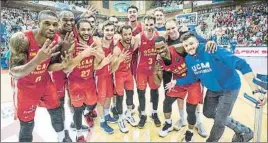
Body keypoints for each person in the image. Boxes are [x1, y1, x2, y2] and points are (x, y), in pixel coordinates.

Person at [166, 32, 267, 142]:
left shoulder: (211, 49)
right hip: (213, 89)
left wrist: (255, 89)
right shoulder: (189, 60)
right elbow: (193, 77)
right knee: (208, 112)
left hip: (229, 88)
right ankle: (243, 130)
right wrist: (176, 82)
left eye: (191, 44)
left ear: (197, 42)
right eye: (186, 45)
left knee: (219, 121)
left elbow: (241, 64)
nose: (189, 47)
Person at [9, 10, 72, 142]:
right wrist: (37, 59)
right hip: (25, 86)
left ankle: (62, 137)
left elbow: (49, 66)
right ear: (38, 23)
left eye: (55, 24)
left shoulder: (57, 40)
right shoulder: (21, 39)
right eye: (47, 23)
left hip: (44, 82)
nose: (51, 28)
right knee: (27, 123)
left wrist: (62, 61)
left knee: (56, 110)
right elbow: (14, 72)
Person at [154, 36, 216, 141]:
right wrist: (156, 72)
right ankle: (168, 124)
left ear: (167, 45)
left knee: (191, 109)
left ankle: (190, 132)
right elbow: (157, 83)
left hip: (194, 81)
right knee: (167, 102)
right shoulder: (159, 60)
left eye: (162, 47)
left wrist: (208, 43)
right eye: (158, 49)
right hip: (178, 81)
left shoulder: (178, 48)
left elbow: (194, 46)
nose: (161, 51)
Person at [164, 19, 208, 138]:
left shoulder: (186, 35)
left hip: (194, 75)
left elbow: (203, 42)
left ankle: (199, 122)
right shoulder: (166, 42)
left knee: (195, 100)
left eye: (173, 28)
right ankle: (182, 119)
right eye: (168, 29)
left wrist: (191, 30)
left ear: (177, 26)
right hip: (179, 76)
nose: (171, 31)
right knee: (180, 98)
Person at [63, 19, 104, 141]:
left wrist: (93, 51)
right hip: (75, 82)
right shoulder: (72, 44)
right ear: (77, 30)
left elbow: (102, 57)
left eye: (88, 29)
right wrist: (83, 54)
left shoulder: (95, 40)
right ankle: (79, 134)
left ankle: (88, 113)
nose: (86, 32)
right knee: (77, 109)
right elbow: (67, 68)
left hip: (89, 80)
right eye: (83, 29)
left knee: (92, 103)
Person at [49, 9, 89, 132]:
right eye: (65, 20)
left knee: (74, 100)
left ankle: (74, 122)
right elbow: (50, 64)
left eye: (71, 20)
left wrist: (81, 16)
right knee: (59, 103)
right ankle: (62, 132)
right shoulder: (53, 36)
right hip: (58, 74)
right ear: (58, 21)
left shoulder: (73, 30)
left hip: (73, 72)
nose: (69, 23)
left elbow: (75, 22)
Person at [132, 15, 161, 128]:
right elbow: (130, 50)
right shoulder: (138, 37)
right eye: (147, 25)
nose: (149, 27)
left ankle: (154, 113)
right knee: (141, 92)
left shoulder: (159, 36)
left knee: (155, 92)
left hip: (154, 70)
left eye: (151, 25)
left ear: (155, 24)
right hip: (141, 70)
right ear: (144, 25)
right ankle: (143, 114)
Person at [111, 25, 138, 133]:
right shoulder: (117, 48)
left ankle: (128, 114)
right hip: (119, 75)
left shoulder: (131, 42)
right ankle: (120, 118)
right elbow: (113, 68)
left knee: (131, 95)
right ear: (121, 35)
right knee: (120, 98)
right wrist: (120, 59)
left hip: (128, 74)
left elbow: (139, 36)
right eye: (125, 34)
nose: (127, 36)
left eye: (129, 34)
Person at [94, 21, 119, 134]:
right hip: (99, 76)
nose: (109, 32)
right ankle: (102, 121)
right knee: (100, 100)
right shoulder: (98, 44)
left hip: (109, 75)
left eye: (111, 30)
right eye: (107, 30)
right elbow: (94, 66)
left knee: (109, 97)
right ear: (102, 31)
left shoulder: (114, 43)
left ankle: (107, 114)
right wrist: (103, 64)